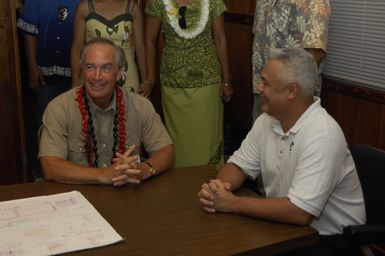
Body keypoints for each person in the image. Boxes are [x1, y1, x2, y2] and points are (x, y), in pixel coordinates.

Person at [198, 48, 365, 256]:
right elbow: (237, 166)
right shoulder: (266, 120)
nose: (259, 88)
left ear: (291, 91)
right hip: (285, 228)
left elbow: (299, 212)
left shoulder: (323, 135)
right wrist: (218, 189)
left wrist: (231, 203)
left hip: (329, 240)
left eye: (266, 83)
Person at [39, 37, 174, 185]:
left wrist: (145, 170)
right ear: (82, 72)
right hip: (76, 198)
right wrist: (103, 174)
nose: (97, 77)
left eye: (106, 68)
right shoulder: (60, 108)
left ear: (119, 73)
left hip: (127, 196)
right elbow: (50, 167)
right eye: (90, 67)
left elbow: (166, 152)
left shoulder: (140, 106)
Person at [145, 0, 234, 169]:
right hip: (173, 82)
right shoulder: (158, 2)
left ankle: (209, 181)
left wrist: (227, 79)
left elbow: (221, 39)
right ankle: (179, 186)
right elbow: (149, 40)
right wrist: (150, 78)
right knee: (179, 139)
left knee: (206, 137)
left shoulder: (213, 2)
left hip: (207, 81)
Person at [17, 0, 81, 179]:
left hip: (79, 74)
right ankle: (42, 172)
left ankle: (73, 170)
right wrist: (32, 66)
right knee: (44, 121)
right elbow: (30, 33)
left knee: (77, 122)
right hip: (46, 75)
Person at [251, 0, 330, 121]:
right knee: (261, 136)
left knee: (290, 138)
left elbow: (315, 53)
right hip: (262, 89)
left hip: (290, 97)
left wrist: (289, 94)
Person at [71, 0, 149, 95]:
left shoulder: (133, 9)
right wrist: (75, 80)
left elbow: (140, 48)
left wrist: (145, 81)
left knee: (129, 108)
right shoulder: (84, 8)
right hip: (94, 76)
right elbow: (77, 47)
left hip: (127, 77)